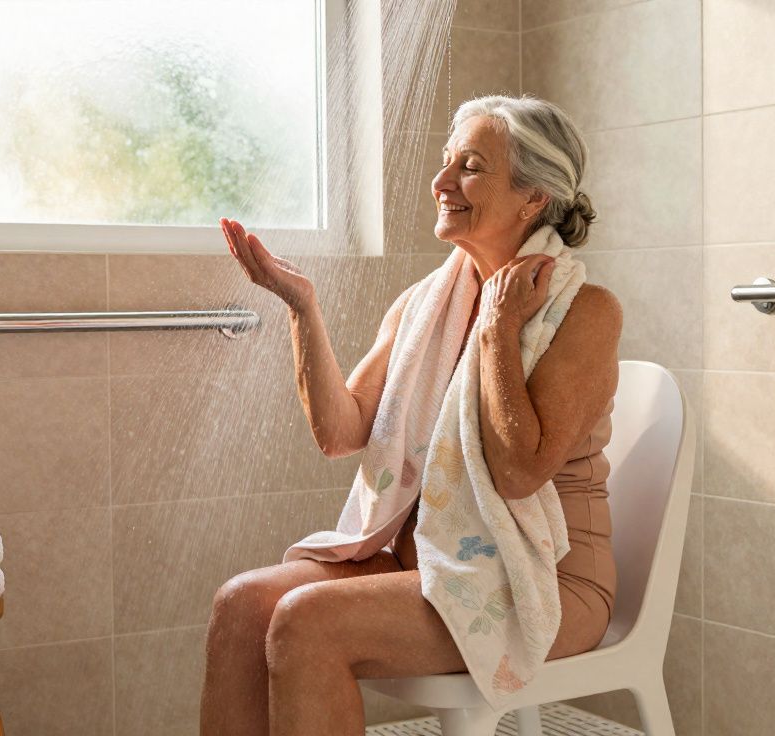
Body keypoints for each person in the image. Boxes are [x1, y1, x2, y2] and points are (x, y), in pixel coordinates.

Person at [202, 95, 622, 736]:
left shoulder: (586, 312)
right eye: (447, 161)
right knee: (241, 606)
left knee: (307, 621)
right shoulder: (426, 304)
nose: (442, 182)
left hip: (545, 577)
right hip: (424, 556)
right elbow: (340, 433)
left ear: (533, 198)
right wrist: (301, 308)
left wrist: (498, 329)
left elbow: (518, 473)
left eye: (471, 167)